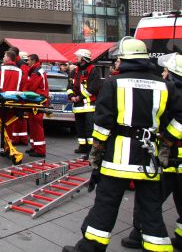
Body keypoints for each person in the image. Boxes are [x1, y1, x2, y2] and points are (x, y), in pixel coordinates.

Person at [62, 38, 182, 252]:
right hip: (149, 159)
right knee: (151, 208)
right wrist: (166, 142)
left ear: (124, 59)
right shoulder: (164, 86)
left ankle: (91, 248)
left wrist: (96, 152)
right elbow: (179, 118)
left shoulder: (113, 84)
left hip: (117, 159)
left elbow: (102, 124)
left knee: (106, 204)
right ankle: (158, 248)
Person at [121, 53, 182, 250]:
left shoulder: (173, 96)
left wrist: (166, 141)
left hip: (171, 160)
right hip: (175, 159)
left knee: (149, 200)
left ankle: (139, 234)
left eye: (166, 71)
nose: (163, 73)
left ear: (174, 76)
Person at [0, 50, 24, 155]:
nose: (3, 58)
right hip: (13, 103)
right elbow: (22, 88)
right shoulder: (20, 71)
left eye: (4, 56)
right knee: (9, 127)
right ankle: (7, 149)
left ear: (8, 58)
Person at [68, 48, 101, 154]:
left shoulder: (93, 70)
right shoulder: (74, 71)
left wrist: (79, 97)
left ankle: (91, 148)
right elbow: (69, 86)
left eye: (77, 56)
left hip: (89, 106)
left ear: (83, 58)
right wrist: (71, 96)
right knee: (80, 127)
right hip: (78, 106)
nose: (76, 58)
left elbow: (93, 88)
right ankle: (82, 146)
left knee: (89, 128)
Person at [24, 54, 49, 158]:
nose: (27, 62)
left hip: (37, 101)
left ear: (33, 61)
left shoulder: (36, 73)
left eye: (28, 61)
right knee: (33, 126)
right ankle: (34, 147)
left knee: (37, 126)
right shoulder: (37, 71)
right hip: (37, 101)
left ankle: (40, 150)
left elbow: (31, 88)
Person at [10, 50, 30, 145]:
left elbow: (22, 81)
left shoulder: (21, 66)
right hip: (24, 95)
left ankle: (16, 138)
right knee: (22, 118)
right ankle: (23, 138)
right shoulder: (25, 66)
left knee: (16, 118)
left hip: (20, 95)